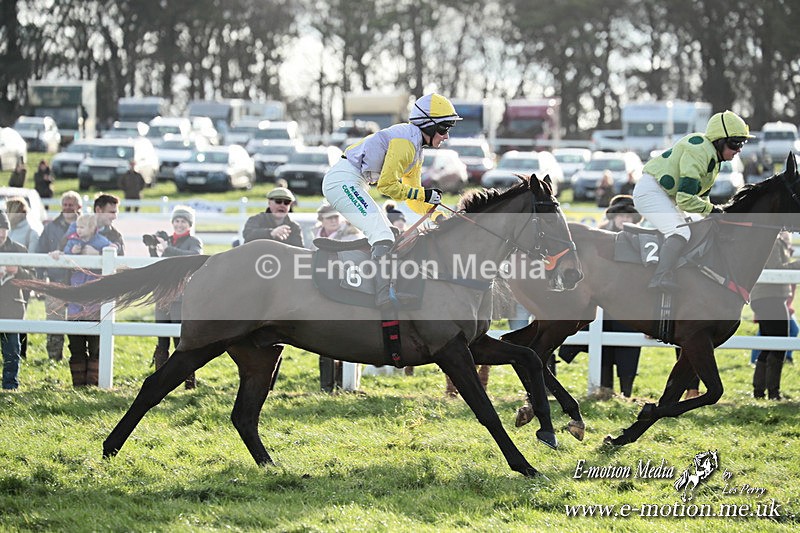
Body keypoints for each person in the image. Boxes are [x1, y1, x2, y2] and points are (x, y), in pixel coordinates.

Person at [322, 93, 460, 308]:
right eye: (444, 128)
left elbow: (413, 196)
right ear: (428, 126)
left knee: (392, 236)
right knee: (382, 234)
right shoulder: (406, 143)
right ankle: (383, 297)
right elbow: (388, 186)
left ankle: (383, 287)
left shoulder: (415, 148)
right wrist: (424, 195)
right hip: (342, 182)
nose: (446, 136)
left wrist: (441, 216)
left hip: (353, 181)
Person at [633, 110, 754, 292]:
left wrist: (713, 213)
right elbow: (685, 199)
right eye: (735, 144)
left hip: (665, 195)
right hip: (650, 193)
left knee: (704, 228)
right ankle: (660, 277)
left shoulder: (714, 158)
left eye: (742, 144)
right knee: (681, 233)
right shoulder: (699, 151)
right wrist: (713, 211)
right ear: (719, 141)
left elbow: (701, 197)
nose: (738, 150)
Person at [51, 214, 116, 387]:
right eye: (77, 227)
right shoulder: (72, 242)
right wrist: (62, 254)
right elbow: (62, 255)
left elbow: (114, 251)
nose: (78, 230)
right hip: (75, 305)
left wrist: (100, 254)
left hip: (95, 305)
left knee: (95, 346)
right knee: (76, 345)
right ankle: (78, 384)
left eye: (82, 227)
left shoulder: (102, 242)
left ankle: (93, 383)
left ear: (93, 228)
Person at [309, 204, 364, 391]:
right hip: (322, 290)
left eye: (336, 217)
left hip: (345, 288)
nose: (333, 220)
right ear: (322, 220)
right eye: (329, 218)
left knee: (345, 338)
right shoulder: (316, 236)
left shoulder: (351, 234)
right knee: (324, 338)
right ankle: (326, 385)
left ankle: (345, 384)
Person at [149, 206, 203, 389]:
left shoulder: (193, 241)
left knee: (181, 342)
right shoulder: (166, 241)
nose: (179, 224)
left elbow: (195, 257)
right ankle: (160, 384)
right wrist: (153, 247)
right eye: (177, 221)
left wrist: (168, 249)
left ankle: (188, 384)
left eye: (183, 221)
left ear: (189, 224)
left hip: (180, 298)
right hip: (162, 296)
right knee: (161, 342)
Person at [751, 231, 799, 400]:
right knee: (779, 345)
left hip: (767, 297)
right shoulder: (772, 240)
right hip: (770, 297)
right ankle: (773, 393)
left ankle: (760, 392)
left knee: (769, 344)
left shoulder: (771, 239)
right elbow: (775, 269)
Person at [36, 191, 82, 361]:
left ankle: (78, 358)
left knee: (79, 322)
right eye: (65, 204)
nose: (68, 208)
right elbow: (40, 251)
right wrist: (40, 278)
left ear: (79, 207)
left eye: (71, 204)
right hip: (56, 281)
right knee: (54, 321)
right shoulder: (51, 228)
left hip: (80, 283)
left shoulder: (87, 225)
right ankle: (54, 359)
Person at [0, 210, 33, 390]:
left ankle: (10, 385)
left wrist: (17, 271)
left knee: (12, 350)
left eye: (3, 230)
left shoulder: (19, 249)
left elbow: (32, 278)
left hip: (12, 306)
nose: (0, 235)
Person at [5, 197, 41, 360]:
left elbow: (31, 261)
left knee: (20, 315)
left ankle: (22, 353)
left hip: (19, 281)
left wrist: (18, 270)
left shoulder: (30, 233)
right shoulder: (8, 230)